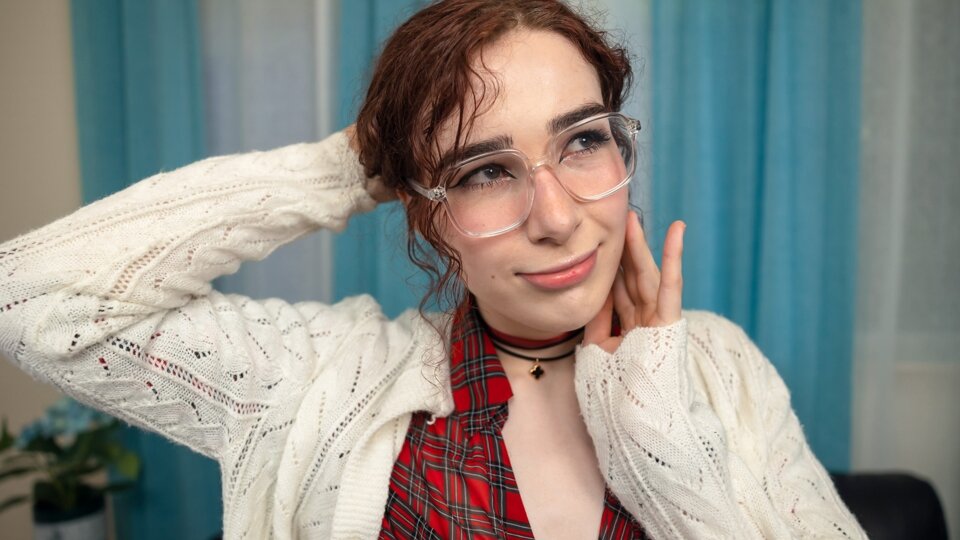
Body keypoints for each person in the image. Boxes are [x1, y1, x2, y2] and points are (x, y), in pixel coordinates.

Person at [0, 1, 866, 538]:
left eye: (582, 141)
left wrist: (659, 435)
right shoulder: (315, 380)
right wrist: (345, 167)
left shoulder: (723, 369)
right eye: (485, 171)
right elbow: (28, 296)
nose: (557, 218)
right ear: (425, 211)